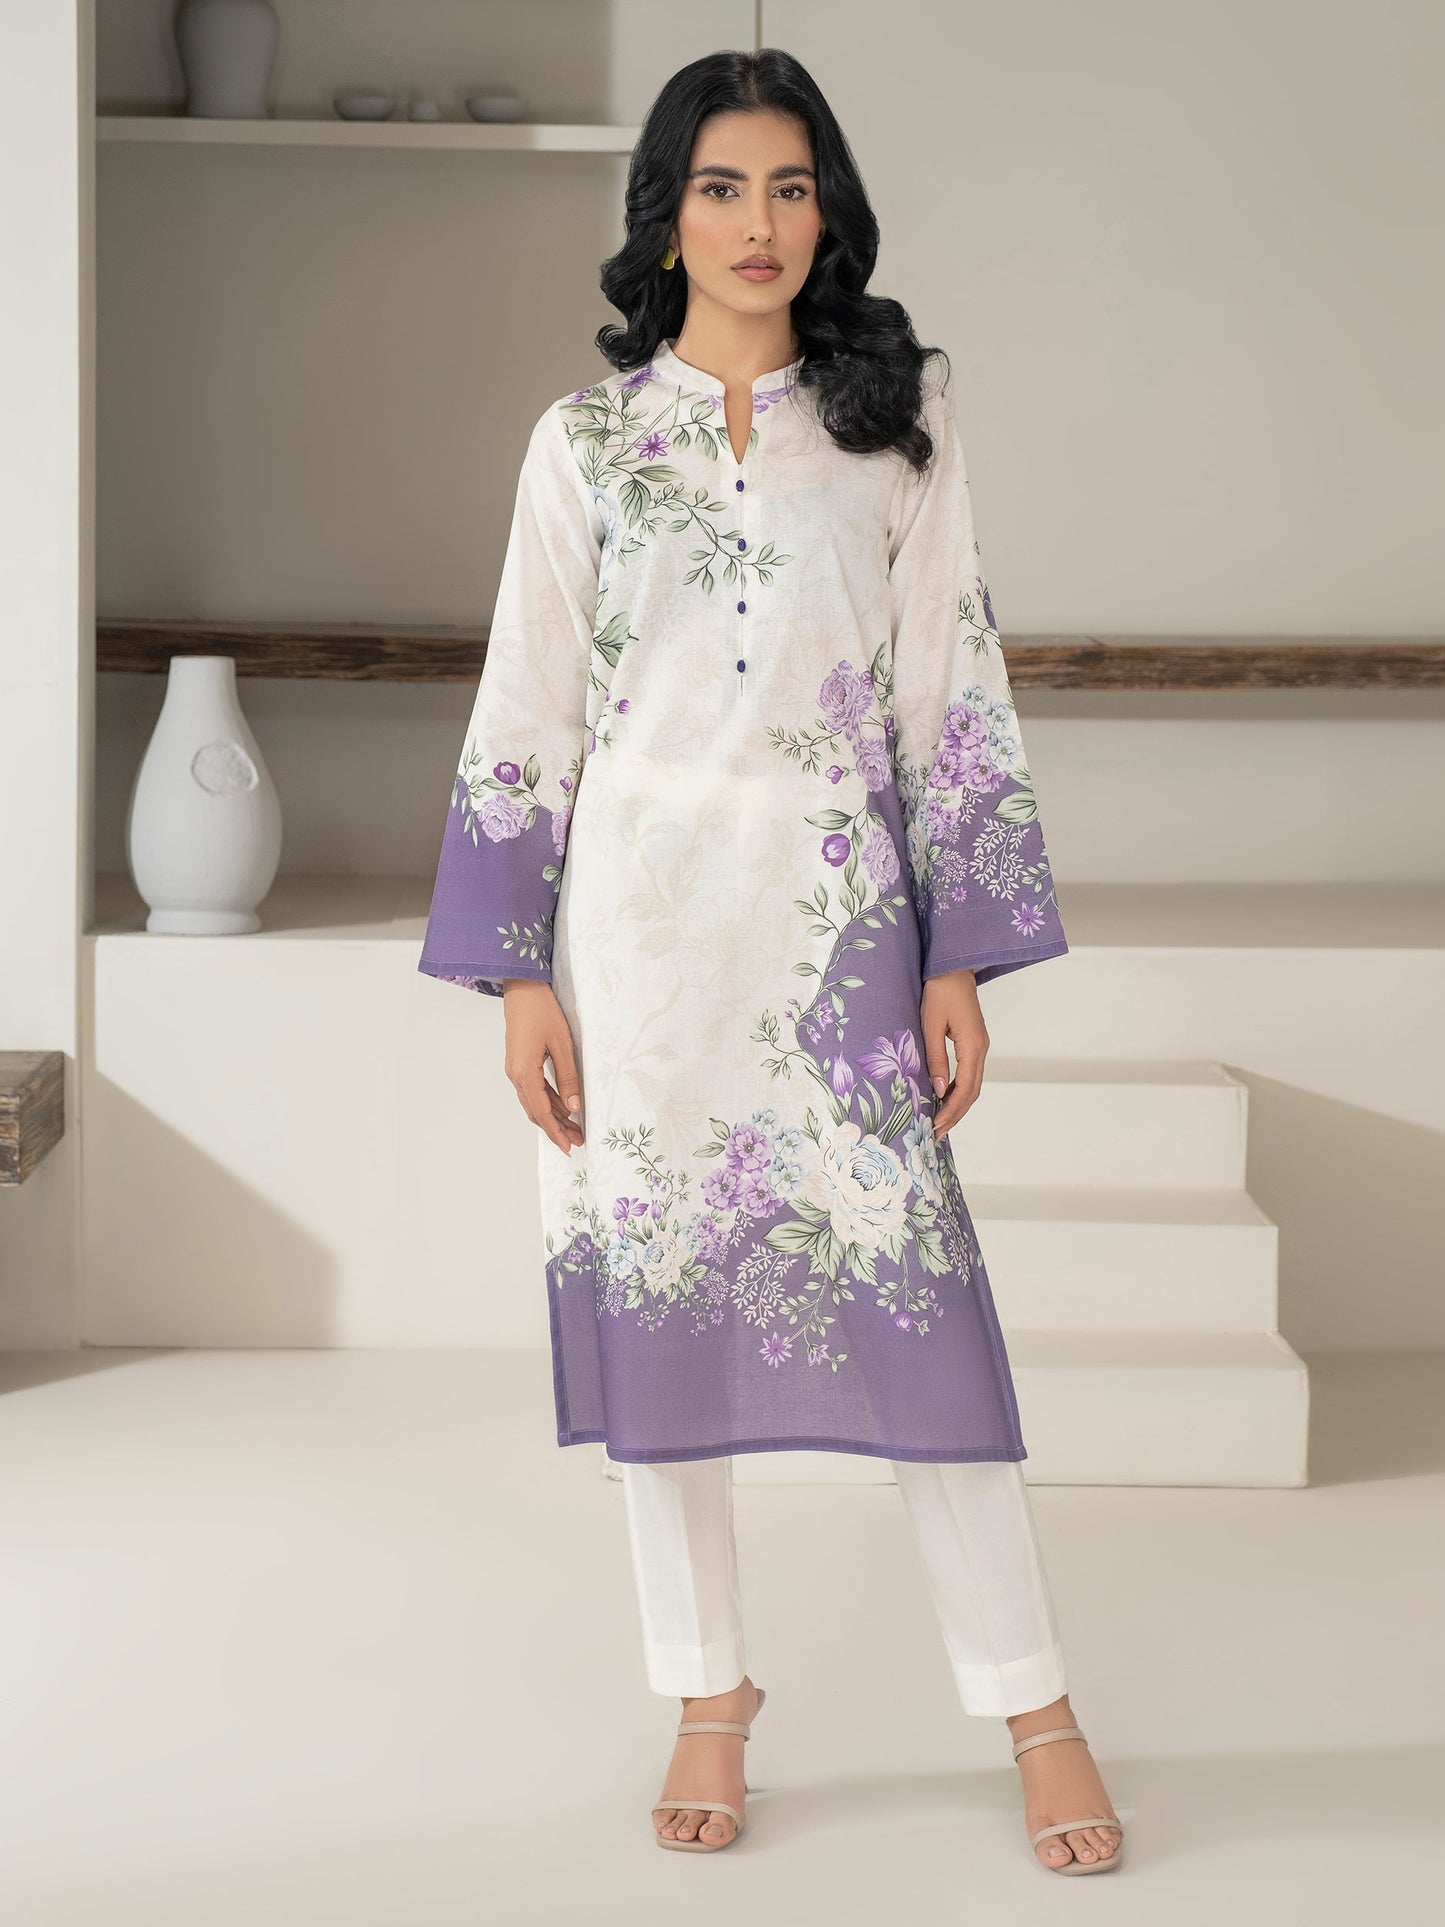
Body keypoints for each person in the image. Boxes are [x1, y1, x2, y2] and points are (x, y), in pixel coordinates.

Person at [418, 47, 1123, 1875]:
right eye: (722, 189)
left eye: (791, 188)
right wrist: (519, 973)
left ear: (831, 211)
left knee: (920, 1312)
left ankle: (1034, 1704)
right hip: (635, 944)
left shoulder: (901, 422)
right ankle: (706, 1689)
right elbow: (526, 707)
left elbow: (948, 688)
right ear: (666, 216)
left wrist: (954, 955)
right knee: (663, 1318)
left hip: (836, 931)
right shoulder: (584, 445)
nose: (759, 224)